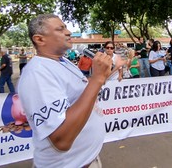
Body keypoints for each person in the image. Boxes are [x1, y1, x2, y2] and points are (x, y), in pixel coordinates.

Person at [18, 14, 114, 167]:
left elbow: (80, 93)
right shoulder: (37, 73)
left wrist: (100, 75)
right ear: (40, 39)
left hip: (88, 160)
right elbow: (62, 140)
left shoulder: (62, 61)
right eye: (60, 29)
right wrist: (97, 80)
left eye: (66, 27)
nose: (68, 32)